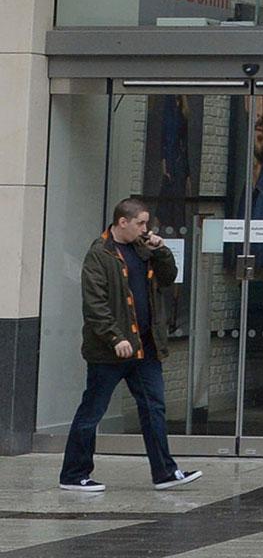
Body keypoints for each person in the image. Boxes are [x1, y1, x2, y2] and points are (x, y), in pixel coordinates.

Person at [59, 198, 202, 493]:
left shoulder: (143, 249)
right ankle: (74, 474)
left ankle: (164, 471)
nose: (145, 228)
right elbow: (95, 303)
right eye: (140, 223)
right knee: (93, 410)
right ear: (122, 222)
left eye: (146, 223)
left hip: (145, 346)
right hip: (111, 349)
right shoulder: (100, 254)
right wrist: (115, 336)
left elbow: (168, 279)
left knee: (154, 408)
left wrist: (161, 251)